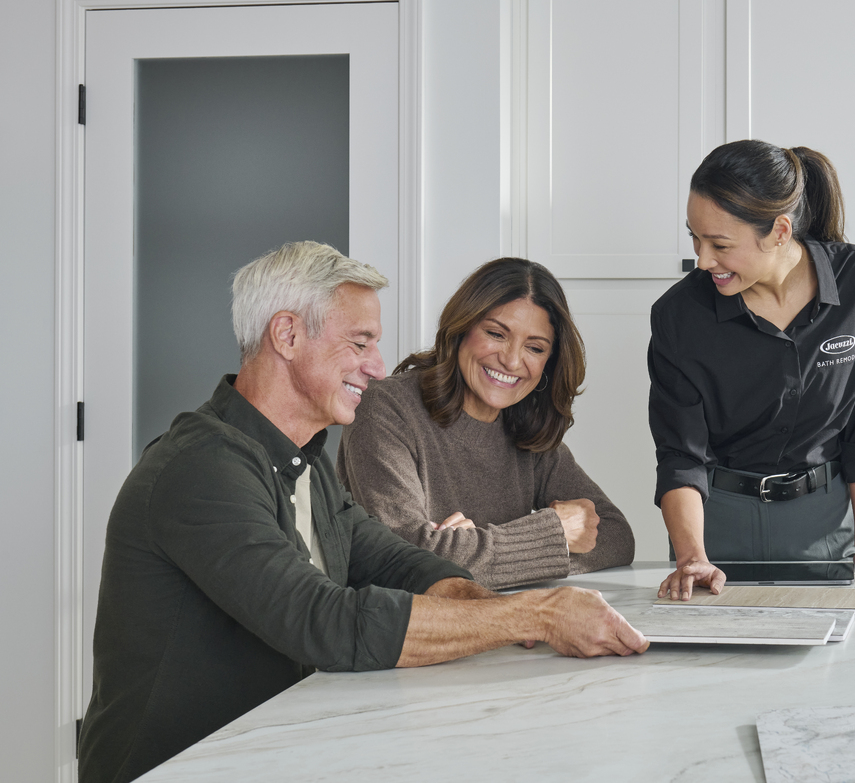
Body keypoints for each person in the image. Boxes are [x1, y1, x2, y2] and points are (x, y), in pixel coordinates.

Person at [78, 242, 647, 783]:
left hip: (274, 750)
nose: (377, 367)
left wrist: (483, 606)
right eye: (360, 343)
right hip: (180, 768)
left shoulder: (302, 461)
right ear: (287, 334)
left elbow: (399, 561)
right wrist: (532, 616)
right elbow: (326, 621)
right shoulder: (201, 469)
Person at [649, 141, 855, 601]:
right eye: (695, 238)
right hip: (713, 527)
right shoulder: (678, 315)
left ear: (780, 230)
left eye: (720, 244)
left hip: (824, 522)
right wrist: (692, 557)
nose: (703, 260)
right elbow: (681, 455)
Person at [337, 257, 635, 589]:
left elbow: (615, 535)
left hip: (503, 620)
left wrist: (469, 549)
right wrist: (553, 535)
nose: (511, 360)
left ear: (548, 364)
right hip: (410, 630)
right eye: (496, 333)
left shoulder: (527, 430)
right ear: (461, 328)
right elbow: (405, 560)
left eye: (534, 348)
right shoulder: (385, 408)